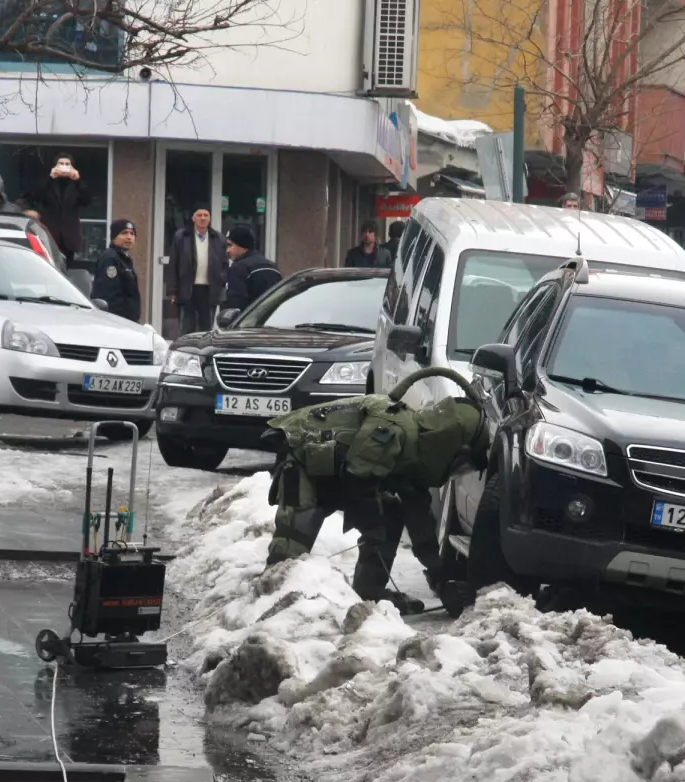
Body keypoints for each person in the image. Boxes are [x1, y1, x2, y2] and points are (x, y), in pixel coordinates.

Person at [264, 367, 490, 613]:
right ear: (451, 446)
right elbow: (358, 481)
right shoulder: (394, 429)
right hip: (302, 458)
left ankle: (368, 592)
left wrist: (442, 579)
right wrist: (372, 525)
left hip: (338, 471)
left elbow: (420, 524)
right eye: (461, 467)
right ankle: (273, 594)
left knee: (389, 514)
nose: (455, 474)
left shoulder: (415, 456)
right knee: (297, 528)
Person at [167, 207, 228, 334]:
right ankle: (184, 351)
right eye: (199, 215)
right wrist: (172, 290)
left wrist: (222, 280)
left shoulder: (218, 238)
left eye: (206, 215)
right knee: (186, 325)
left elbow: (224, 263)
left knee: (207, 326)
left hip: (209, 288)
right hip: (187, 287)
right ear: (193, 218)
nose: (202, 218)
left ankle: (203, 352)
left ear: (209, 219)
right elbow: (173, 264)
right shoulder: (181, 237)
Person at [28, 153, 92, 264]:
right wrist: (50, 178)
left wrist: (77, 180)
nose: (64, 166)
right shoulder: (49, 183)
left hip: (69, 237)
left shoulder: (75, 185)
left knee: (68, 267)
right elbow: (37, 197)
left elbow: (87, 201)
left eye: (67, 164)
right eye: (61, 164)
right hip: (51, 233)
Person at [91, 219, 142, 322]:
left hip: (128, 322)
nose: (129, 237)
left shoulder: (124, 259)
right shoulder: (110, 259)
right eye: (124, 233)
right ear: (114, 236)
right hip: (116, 321)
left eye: (132, 234)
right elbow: (108, 296)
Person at [223, 224, 282, 312]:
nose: (228, 250)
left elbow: (235, 302)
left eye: (230, 245)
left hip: (248, 321)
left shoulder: (239, 267)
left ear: (242, 245)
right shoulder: (272, 266)